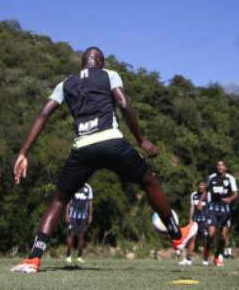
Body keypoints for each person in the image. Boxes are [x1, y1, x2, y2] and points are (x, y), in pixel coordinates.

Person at [10, 47, 194, 273]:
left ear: (82, 64)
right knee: (149, 181)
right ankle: (177, 235)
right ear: (101, 62)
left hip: (83, 147)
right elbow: (124, 104)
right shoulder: (109, 74)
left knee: (59, 200)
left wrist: (23, 152)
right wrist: (141, 140)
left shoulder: (65, 84)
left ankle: (33, 259)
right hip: (112, 142)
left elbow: (43, 114)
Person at [204, 160, 239, 267]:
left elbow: (236, 194)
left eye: (222, 165)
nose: (220, 167)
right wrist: (202, 202)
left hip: (225, 209)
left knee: (223, 237)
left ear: (225, 167)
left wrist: (229, 199)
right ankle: (207, 252)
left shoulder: (230, 178)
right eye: (218, 165)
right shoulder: (211, 177)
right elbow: (206, 191)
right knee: (211, 233)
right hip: (213, 208)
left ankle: (217, 257)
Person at [180, 180, 209, 266]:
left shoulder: (208, 196)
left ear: (205, 186)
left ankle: (206, 259)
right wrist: (190, 219)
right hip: (195, 221)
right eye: (199, 185)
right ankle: (188, 259)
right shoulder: (193, 195)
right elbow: (192, 207)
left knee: (206, 240)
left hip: (205, 221)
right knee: (192, 238)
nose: (200, 187)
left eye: (202, 185)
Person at [65, 183, 93, 265]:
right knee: (71, 235)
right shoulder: (73, 185)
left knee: (81, 236)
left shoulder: (88, 187)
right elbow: (68, 202)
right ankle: (68, 256)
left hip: (83, 217)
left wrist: (90, 215)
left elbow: (90, 203)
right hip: (73, 216)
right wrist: (67, 214)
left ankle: (79, 257)